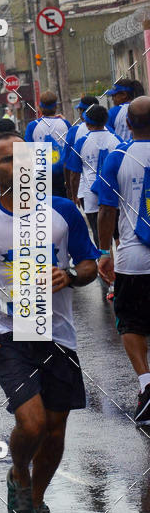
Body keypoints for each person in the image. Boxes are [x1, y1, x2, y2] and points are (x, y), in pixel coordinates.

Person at [0, 132, 98, 513]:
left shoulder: (63, 212)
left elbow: (90, 264)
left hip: (57, 335)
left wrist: (71, 275)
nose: (18, 165)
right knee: (32, 424)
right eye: (7, 159)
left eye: (23, 157)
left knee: (55, 431)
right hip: (8, 334)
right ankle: (18, 474)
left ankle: (37, 500)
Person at [97, 97, 150, 427]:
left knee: (130, 322)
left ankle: (147, 384)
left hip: (133, 259)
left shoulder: (117, 157)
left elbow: (106, 210)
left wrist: (104, 251)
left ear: (127, 124)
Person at [65, 104, 120, 248]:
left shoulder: (81, 142)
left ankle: (105, 258)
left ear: (87, 123)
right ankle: (121, 257)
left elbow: (74, 174)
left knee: (98, 231)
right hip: (114, 191)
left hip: (91, 192)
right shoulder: (116, 139)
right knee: (117, 231)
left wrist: (74, 194)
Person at [24, 91, 71, 197]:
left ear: (40, 108)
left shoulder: (32, 126)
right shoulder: (65, 124)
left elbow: (28, 153)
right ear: (56, 107)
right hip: (63, 174)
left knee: (44, 205)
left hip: (41, 175)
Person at [63, 94, 97, 202]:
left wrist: (69, 189)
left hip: (83, 188)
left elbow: (67, 163)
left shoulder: (74, 131)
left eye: (80, 110)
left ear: (83, 112)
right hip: (107, 188)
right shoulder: (110, 130)